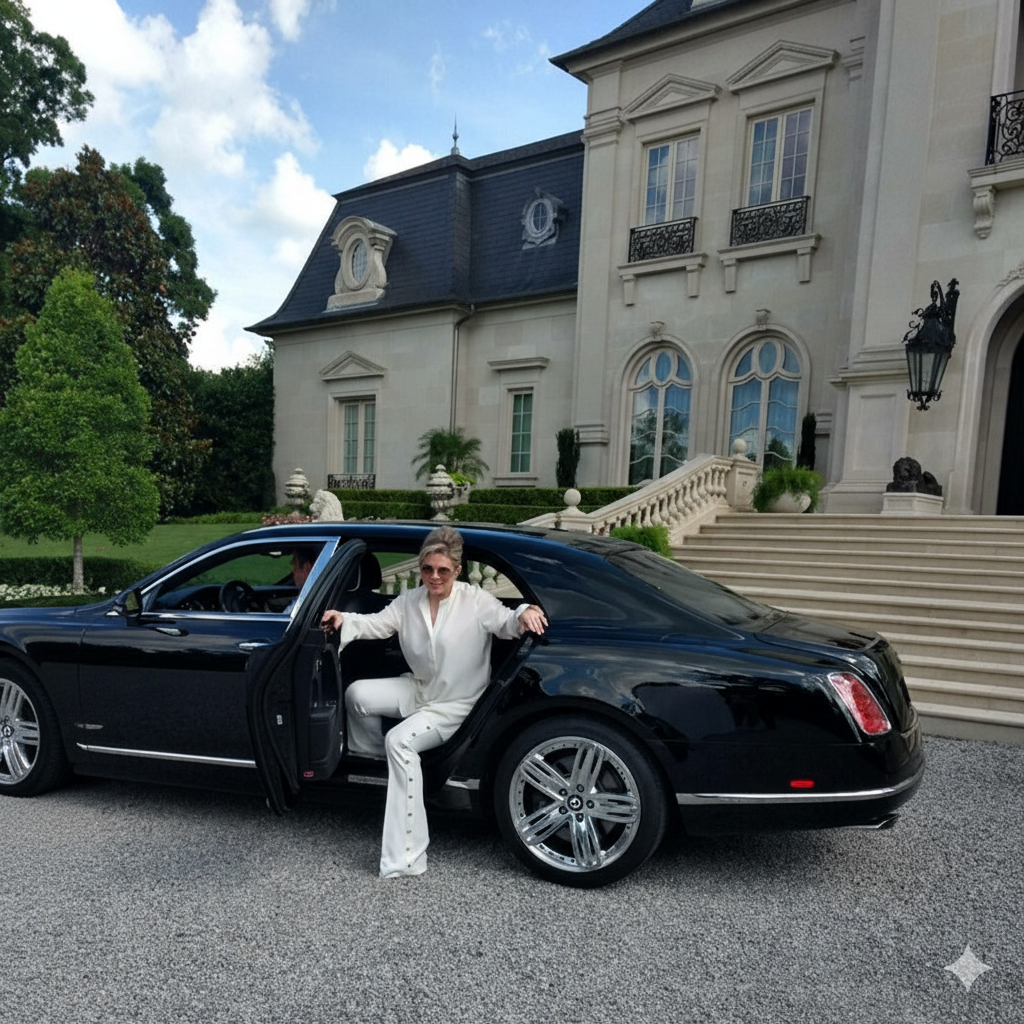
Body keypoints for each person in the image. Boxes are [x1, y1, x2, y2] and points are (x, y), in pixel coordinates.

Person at [319, 526, 548, 878]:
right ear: (420, 568)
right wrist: (344, 619)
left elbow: (506, 620)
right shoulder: (409, 601)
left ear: (457, 570)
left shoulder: (475, 600)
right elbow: (377, 625)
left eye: (443, 570)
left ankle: (407, 857)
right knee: (357, 695)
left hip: (457, 705)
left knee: (400, 740)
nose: (435, 577)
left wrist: (525, 613)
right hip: (420, 689)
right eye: (428, 569)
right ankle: (377, 761)